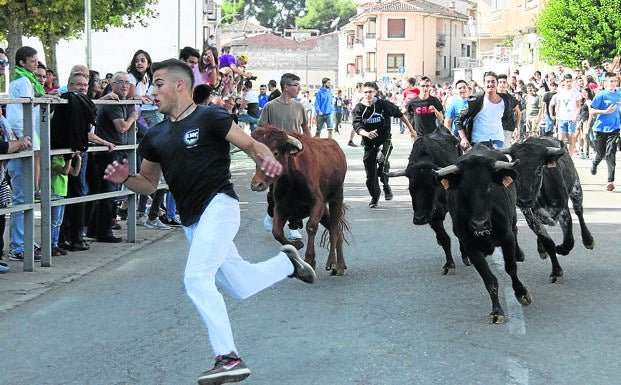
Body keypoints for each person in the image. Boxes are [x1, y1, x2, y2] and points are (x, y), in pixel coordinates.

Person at [102, 58, 316, 385]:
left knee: (196, 278)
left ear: (179, 86)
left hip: (219, 205)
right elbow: (147, 182)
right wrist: (125, 178)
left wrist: (267, 157)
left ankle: (227, 358)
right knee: (240, 286)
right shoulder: (156, 135)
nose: (151, 91)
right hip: (192, 222)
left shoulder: (210, 117)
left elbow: (249, 143)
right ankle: (287, 263)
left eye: (158, 84)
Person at [6, 46, 48, 262]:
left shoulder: (27, 81)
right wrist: (23, 140)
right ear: (22, 62)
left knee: (27, 196)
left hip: (29, 142)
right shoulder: (22, 82)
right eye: (32, 61)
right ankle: (18, 245)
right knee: (22, 197)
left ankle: (24, 240)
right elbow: (18, 115)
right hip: (24, 145)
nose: (36, 64)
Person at [258, 73, 309, 240]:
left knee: (297, 189)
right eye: (295, 85)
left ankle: (294, 226)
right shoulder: (270, 107)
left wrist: (309, 146)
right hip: (276, 156)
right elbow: (261, 130)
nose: (299, 88)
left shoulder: (300, 107)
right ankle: (271, 214)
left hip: (295, 155)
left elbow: (306, 129)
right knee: (276, 190)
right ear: (286, 87)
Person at [352, 81, 416, 208]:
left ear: (375, 92)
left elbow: (400, 114)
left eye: (370, 92)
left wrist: (411, 130)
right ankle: (375, 196)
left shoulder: (383, 104)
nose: (368, 94)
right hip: (369, 144)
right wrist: (366, 133)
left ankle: (386, 184)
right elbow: (357, 125)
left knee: (382, 162)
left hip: (384, 141)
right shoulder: (359, 107)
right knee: (370, 176)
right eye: (365, 92)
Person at [91, 72, 138, 243]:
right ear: (112, 84)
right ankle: (103, 232)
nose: (125, 86)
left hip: (115, 151)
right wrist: (133, 117)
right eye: (120, 82)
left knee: (107, 192)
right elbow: (122, 127)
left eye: (127, 82)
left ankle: (96, 229)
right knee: (107, 193)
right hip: (108, 152)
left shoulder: (124, 101)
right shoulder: (112, 101)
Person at [0, 109, 33, 271]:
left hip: (1, 175)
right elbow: (2, 146)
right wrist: (19, 143)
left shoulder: (3, 121)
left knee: (2, 212)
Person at [454, 71, 518, 150]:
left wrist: (515, 128)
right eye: (488, 82)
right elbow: (458, 119)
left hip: (498, 139)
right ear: (484, 84)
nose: (490, 84)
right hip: (479, 141)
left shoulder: (505, 100)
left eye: (493, 82)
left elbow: (508, 117)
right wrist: (463, 138)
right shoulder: (476, 100)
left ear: (497, 84)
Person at [589, 72, 621, 192]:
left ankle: (610, 181)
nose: (614, 83)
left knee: (610, 153)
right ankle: (594, 164)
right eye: (611, 81)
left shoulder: (619, 94)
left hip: (614, 129)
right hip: (601, 129)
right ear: (605, 83)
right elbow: (591, 110)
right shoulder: (601, 95)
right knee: (600, 154)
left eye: (615, 81)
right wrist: (605, 112)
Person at [50, 151, 82, 256]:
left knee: (59, 222)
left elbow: (75, 173)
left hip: (62, 193)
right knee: (54, 222)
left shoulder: (64, 160)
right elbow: (64, 171)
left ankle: (55, 244)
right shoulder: (54, 160)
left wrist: (79, 159)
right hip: (54, 193)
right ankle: (50, 244)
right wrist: (69, 159)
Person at [553, 74, 582, 155]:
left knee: (571, 138)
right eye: (567, 82)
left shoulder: (576, 92)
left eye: (570, 81)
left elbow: (579, 106)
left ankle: (570, 156)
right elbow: (558, 105)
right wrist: (557, 118)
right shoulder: (561, 92)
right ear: (564, 82)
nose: (569, 83)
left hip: (571, 118)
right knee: (561, 139)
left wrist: (576, 117)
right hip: (562, 118)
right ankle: (561, 156)